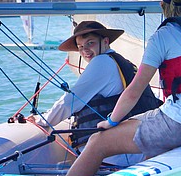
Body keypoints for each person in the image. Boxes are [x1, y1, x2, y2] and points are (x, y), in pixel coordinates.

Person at [65, 0, 181, 176]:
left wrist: (111, 122)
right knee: (146, 133)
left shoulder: (163, 36)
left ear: (163, 7)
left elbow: (134, 91)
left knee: (97, 142)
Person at [34, 20, 160, 150]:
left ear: (105, 41)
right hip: (137, 141)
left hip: (118, 150)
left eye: (90, 43)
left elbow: (69, 102)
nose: (85, 50)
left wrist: (42, 121)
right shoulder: (119, 61)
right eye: (80, 47)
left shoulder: (102, 62)